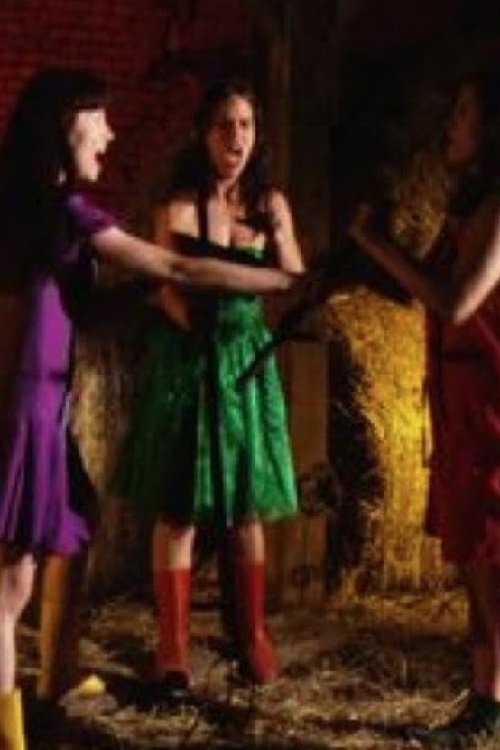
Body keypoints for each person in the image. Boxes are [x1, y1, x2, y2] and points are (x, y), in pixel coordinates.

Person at [0, 68, 299, 750]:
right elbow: (180, 269)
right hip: (23, 409)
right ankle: (9, 734)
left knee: (75, 521)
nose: (110, 134)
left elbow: (85, 309)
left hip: (44, 403)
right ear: (64, 128)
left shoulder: (38, 211)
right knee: (10, 585)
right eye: (98, 120)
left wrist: (138, 299)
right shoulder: (66, 212)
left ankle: (57, 675)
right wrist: (276, 278)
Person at [113, 78, 304, 699]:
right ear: (203, 133)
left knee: (245, 504)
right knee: (178, 507)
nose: (236, 137)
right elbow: (165, 282)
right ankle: (172, 646)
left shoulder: (270, 204)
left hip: (246, 361)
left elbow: (295, 278)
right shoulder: (176, 206)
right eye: (224, 125)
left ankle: (251, 635)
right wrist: (193, 328)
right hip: (188, 361)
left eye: (246, 125)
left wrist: (279, 241)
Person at [348, 72, 500, 747]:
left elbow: (458, 301)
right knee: (475, 560)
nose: (450, 126)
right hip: (459, 398)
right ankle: (484, 703)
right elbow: (427, 288)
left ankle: (491, 705)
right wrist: (363, 257)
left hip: (490, 401)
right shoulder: (466, 210)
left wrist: (380, 246)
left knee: (489, 551)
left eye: (464, 113)